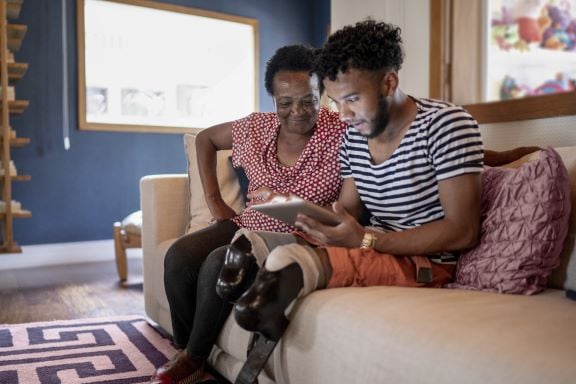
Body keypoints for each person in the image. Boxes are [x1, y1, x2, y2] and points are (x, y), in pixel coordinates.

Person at [229, 20, 487, 380]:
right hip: (373, 244)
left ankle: (255, 349)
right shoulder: (354, 138)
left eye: (351, 99)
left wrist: (367, 239)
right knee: (254, 243)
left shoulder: (446, 125)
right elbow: (346, 211)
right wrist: (292, 204)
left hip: (425, 261)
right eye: (335, 101)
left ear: (389, 82)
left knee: (286, 261)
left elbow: (463, 231)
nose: (344, 114)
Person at [151, 45, 347, 384]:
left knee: (219, 261)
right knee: (179, 257)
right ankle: (187, 351)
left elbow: (348, 211)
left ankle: (193, 360)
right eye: (285, 103)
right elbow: (205, 139)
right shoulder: (256, 128)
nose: (297, 112)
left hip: (301, 235)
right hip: (248, 223)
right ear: (272, 99)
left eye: (309, 101)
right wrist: (215, 201)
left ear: (322, 94)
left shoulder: (341, 134)